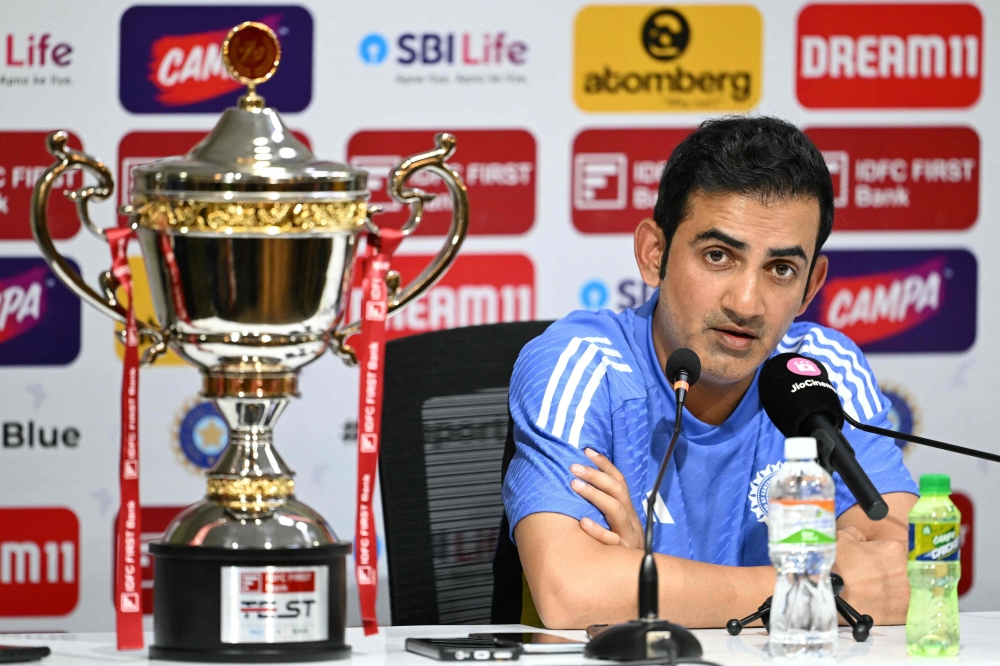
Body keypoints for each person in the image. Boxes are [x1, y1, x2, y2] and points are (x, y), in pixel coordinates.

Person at [498, 116, 918, 629]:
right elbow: (574, 592)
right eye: (718, 256)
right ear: (655, 255)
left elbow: (896, 578)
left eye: (781, 269)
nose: (746, 303)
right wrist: (813, 588)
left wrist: (643, 576)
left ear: (811, 285)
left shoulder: (821, 372)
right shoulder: (581, 364)